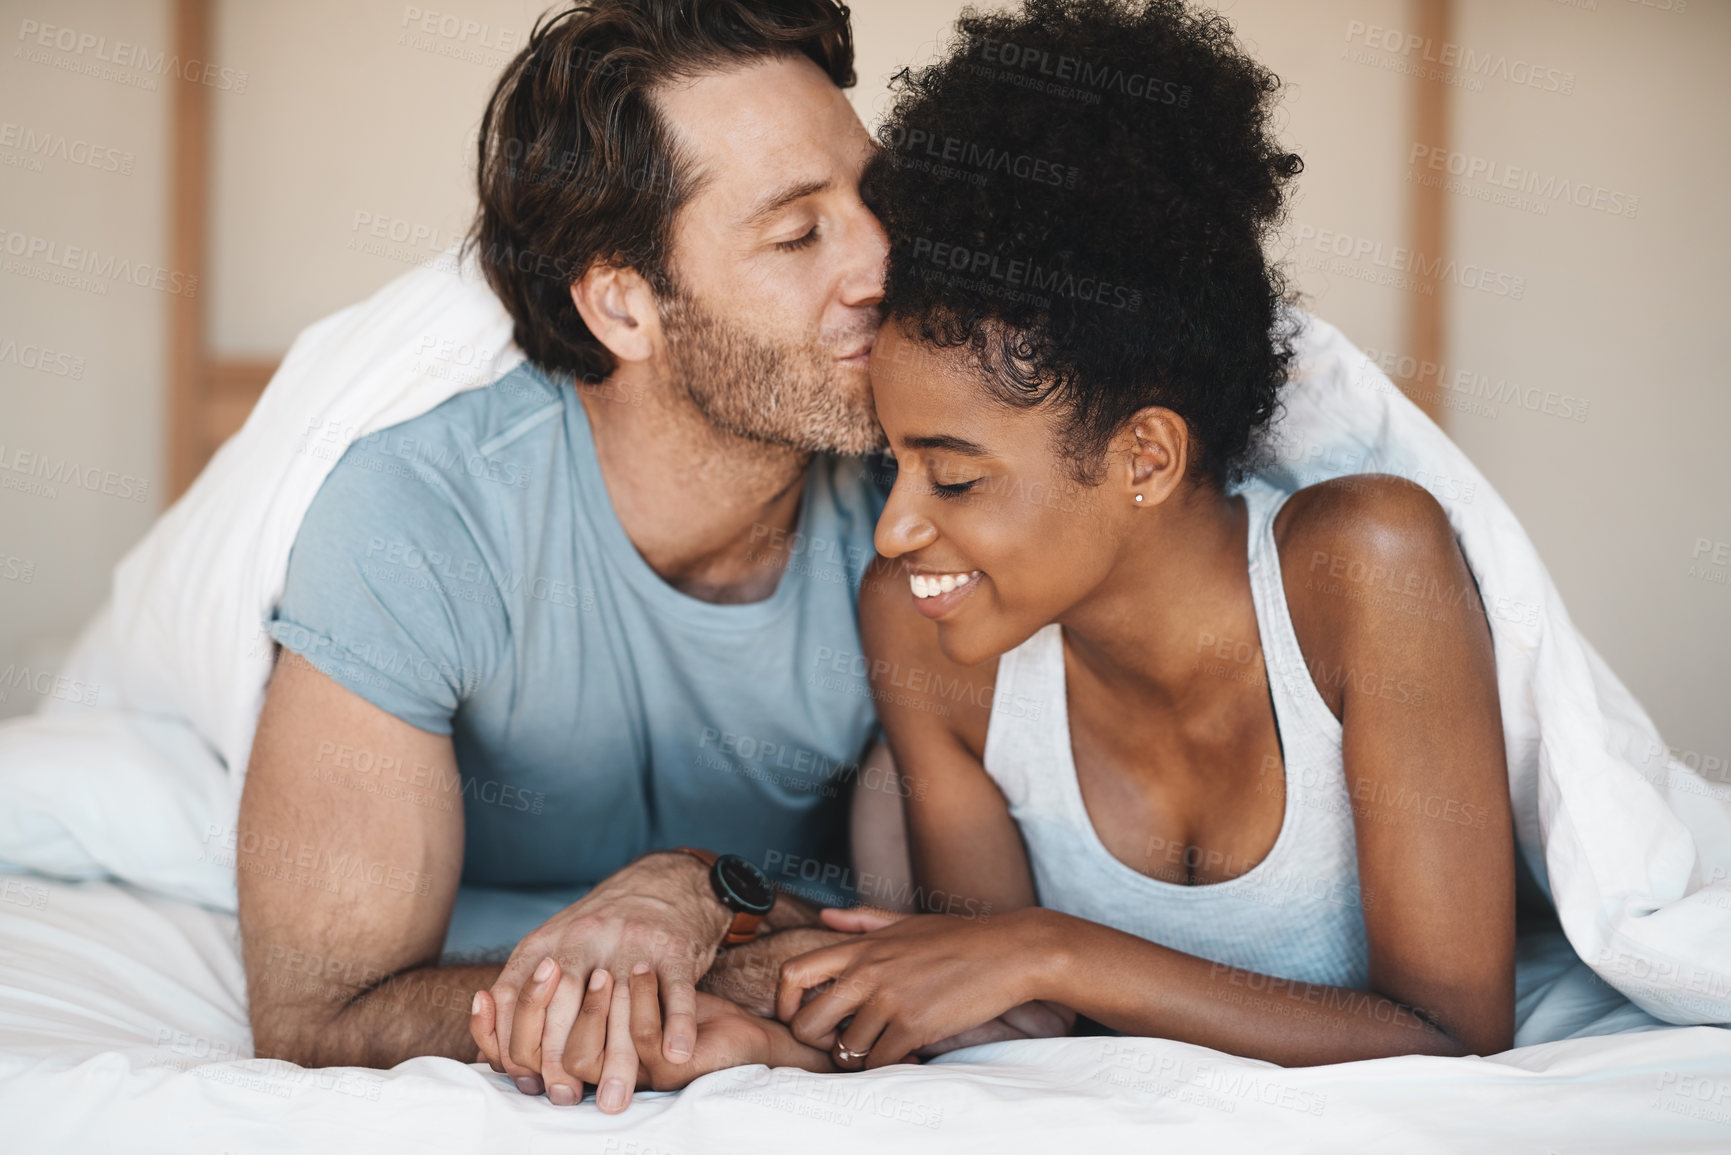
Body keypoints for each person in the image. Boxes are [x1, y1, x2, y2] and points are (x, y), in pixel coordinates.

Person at [774, 0, 1518, 1070]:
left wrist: (1055, 950)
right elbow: (1004, 1025)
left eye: (955, 475)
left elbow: (1450, 1032)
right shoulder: (922, 632)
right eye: (893, 464)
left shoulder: (1364, 569)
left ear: (1146, 459)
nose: (894, 530)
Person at [237, 0, 913, 1114]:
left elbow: (953, 935)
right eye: (798, 236)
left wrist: (700, 893)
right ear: (623, 306)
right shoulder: (422, 522)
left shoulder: (923, 498)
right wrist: (645, 1000)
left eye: (877, 201)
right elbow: (320, 1014)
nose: (883, 263)